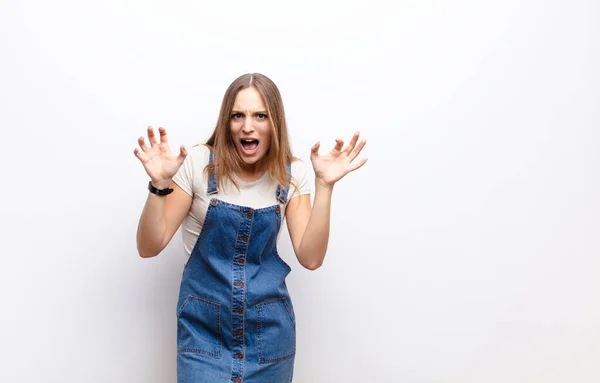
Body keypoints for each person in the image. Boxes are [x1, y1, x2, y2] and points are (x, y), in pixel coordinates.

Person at [134, 73, 367, 383]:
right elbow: (149, 246)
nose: (247, 127)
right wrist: (159, 184)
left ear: (275, 123)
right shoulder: (199, 163)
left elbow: (311, 258)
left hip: (269, 338)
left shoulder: (292, 174)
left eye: (260, 116)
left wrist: (324, 185)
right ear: (226, 121)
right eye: (237, 116)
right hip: (203, 335)